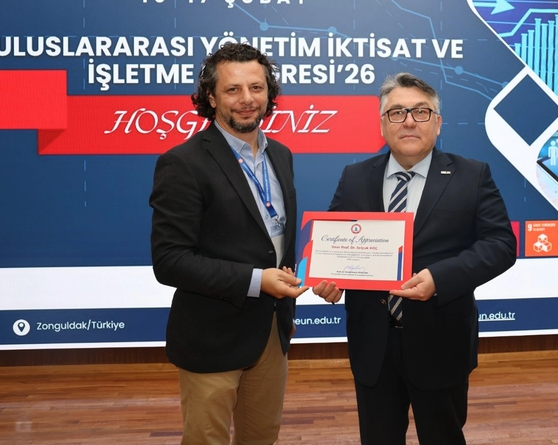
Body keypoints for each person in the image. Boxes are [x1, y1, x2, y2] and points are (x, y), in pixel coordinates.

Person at [313, 72, 517, 445]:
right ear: (382, 124)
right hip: (372, 345)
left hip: (441, 340)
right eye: (397, 113)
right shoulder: (355, 177)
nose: (408, 121)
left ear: (437, 123)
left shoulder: (472, 175)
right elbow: (335, 246)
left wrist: (440, 278)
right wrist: (330, 278)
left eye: (420, 112)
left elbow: (501, 244)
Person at [150, 41, 307, 445]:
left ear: (270, 93)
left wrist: (294, 297)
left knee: (261, 437)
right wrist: (257, 280)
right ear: (211, 97)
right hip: (212, 336)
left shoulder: (282, 155)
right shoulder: (183, 163)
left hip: (271, 333)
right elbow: (170, 260)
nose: (247, 99)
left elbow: (276, 240)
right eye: (232, 89)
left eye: (256, 87)